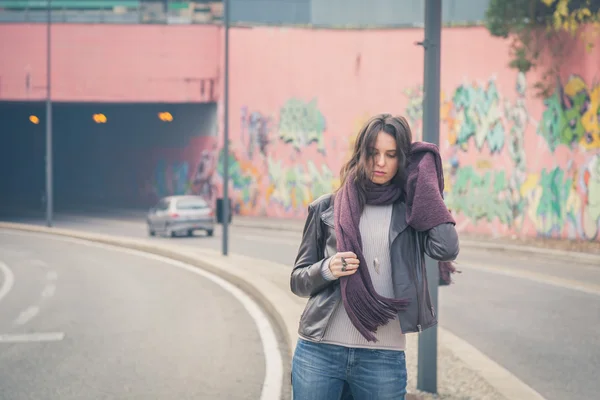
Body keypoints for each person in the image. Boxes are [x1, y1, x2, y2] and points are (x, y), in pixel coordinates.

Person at [290, 113, 460, 400]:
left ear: (402, 160)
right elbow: (298, 280)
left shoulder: (412, 216)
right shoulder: (326, 209)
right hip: (320, 351)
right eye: (373, 153)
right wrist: (328, 269)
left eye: (391, 155)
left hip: (382, 357)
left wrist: (427, 186)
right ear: (361, 154)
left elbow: (446, 247)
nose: (380, 163)